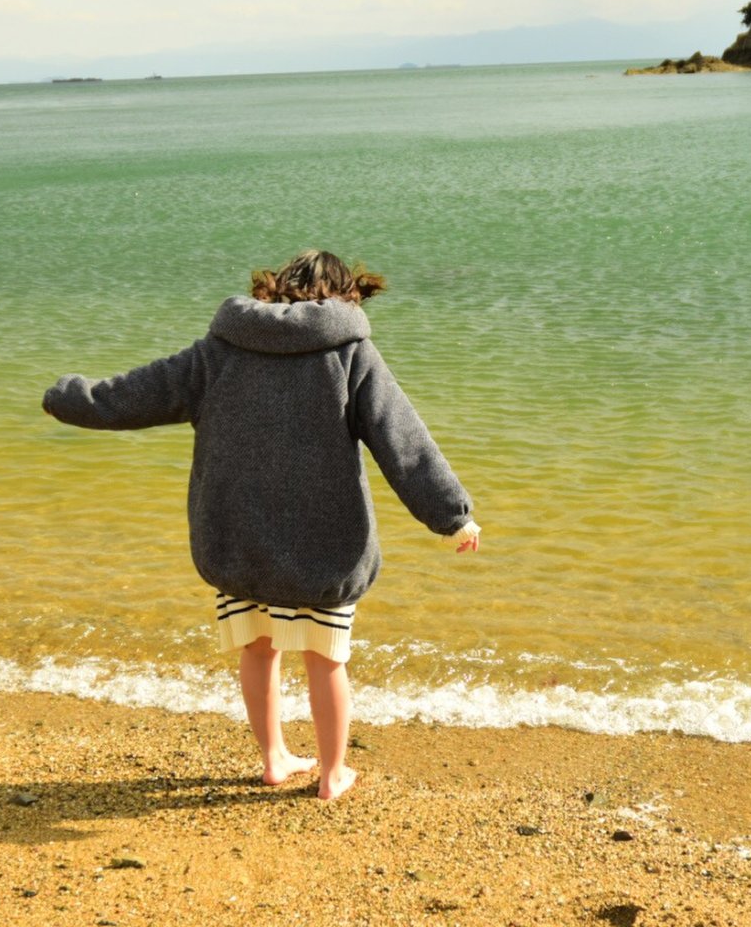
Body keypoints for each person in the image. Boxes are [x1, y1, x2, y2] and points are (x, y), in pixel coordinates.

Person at [42, 250, 479, 800]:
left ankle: (273, 759)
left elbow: (132, 396)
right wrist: (452, 516)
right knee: (325, 659)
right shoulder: (349, 353)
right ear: (346, 296)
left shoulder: (220, 352)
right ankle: (331, 773)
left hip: (237, 541)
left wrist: (65, 399)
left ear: (272, 290)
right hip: (326, 546)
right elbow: (403, 443)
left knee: (258, 648)